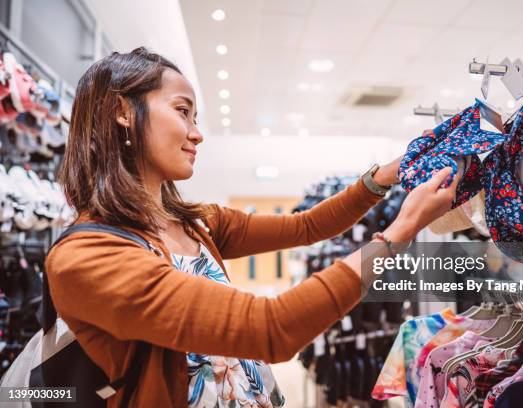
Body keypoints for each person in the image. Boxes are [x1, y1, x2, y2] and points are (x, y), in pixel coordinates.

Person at [47, 47, 458, 407]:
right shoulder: (88, 258)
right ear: (122, 111)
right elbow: (270, 328)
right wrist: (398, 234)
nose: (197, 133)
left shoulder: (196, 222)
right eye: (182, 110)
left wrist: (384, 176)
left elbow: (305, 226)